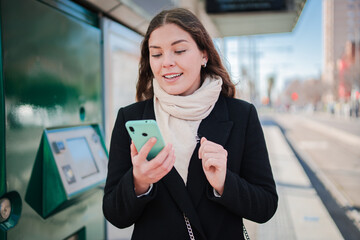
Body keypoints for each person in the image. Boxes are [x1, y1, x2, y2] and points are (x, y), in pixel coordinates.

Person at [103, 8, 278, 240]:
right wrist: (139, 182)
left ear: (204, 54)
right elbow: (114, 214)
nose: (167, 62)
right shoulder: (132, 118)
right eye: (156, 54)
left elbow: (265, 205)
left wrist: (225, 183)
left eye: (179, 50)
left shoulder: (241, 115)